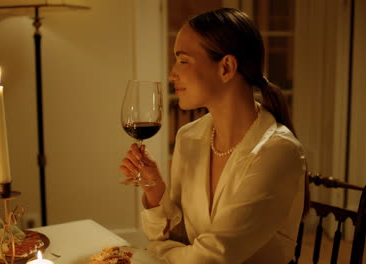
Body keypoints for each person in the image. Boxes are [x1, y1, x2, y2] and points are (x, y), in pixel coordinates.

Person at [119, 8, 309, 264]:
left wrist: (153, 252)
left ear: (226, 67)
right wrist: (154, 187)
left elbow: (210, 258)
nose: (172, 74)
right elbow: (180, 237)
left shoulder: (278, 152)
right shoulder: (189, 137)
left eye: (183, 60)